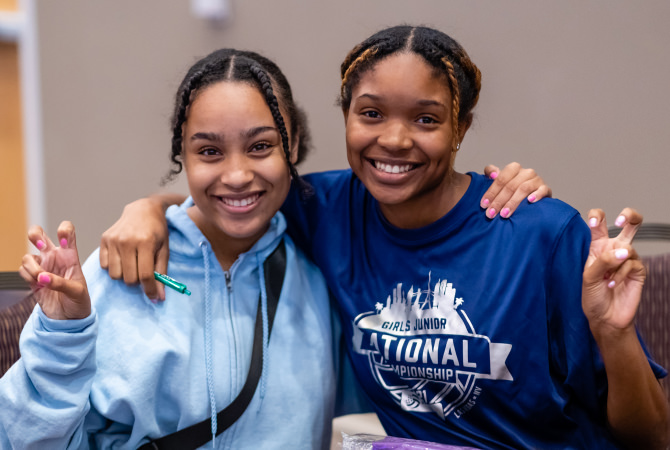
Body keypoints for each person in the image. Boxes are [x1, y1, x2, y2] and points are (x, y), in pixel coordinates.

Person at [99, 25, 670, 449]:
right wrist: (146, 208)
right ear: (345, 116)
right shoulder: (327, 208)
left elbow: (652, 437)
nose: (393, 140)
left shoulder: (539, 233)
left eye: (425, 119)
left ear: (461, 126)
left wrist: (612, 334)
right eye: (371, 113)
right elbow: (235, 192)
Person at [0, 49, 340, 449]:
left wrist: (154, 203)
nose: (236, 175)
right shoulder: (122, 268)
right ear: (184, 154)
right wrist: (61, 336)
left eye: (260, 146)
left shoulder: (319, 274)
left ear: (293, 144)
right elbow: (21, 441)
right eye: (209, 151)